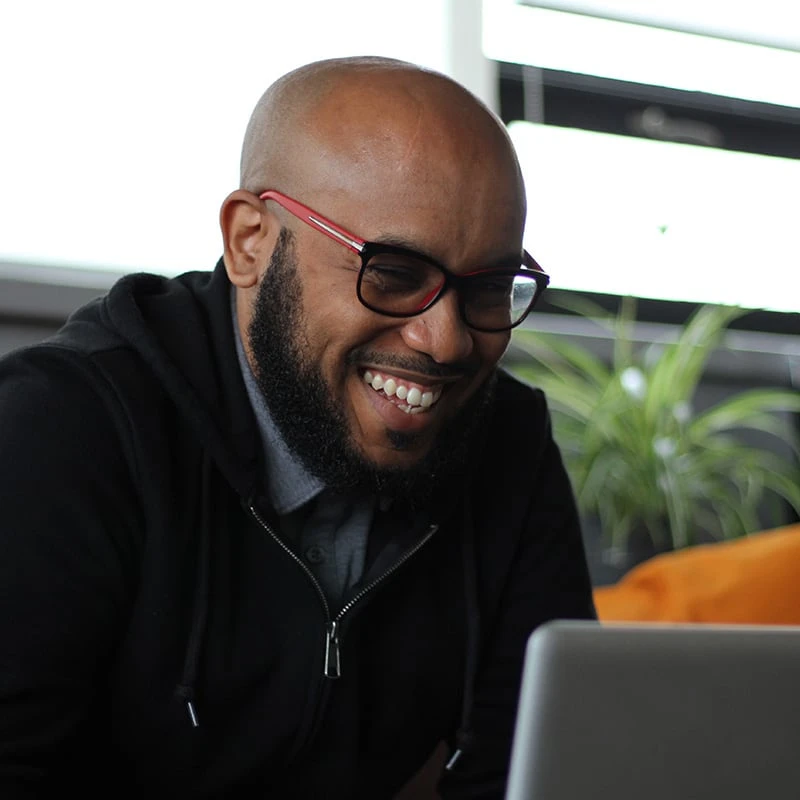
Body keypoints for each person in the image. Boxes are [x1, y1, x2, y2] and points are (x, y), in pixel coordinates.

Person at [0, 56, 595, 798]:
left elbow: (534, 772)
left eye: (485, 288)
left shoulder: (508, 441)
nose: (445, 343)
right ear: (251, 241)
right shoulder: (61, 432)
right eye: (394, 272)